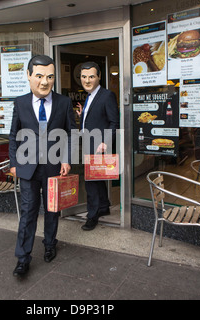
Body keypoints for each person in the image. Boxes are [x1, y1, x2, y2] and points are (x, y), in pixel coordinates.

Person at [9, 55, 76, 276]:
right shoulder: (20, 103)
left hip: (53, 167)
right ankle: (23, 257)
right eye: (39, 76)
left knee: (51, 210)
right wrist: (13, 164)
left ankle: (49, 244)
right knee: (28, 212)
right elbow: (13, 136)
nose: (45, 82)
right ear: (28, 76)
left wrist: (66, 158)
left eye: (49, 77)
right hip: (27, 168)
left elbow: (71, 134)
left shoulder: (64, 102)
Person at [77, 61, 119, 231]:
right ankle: (104, 206)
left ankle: (92, 216)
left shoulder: (106, 95)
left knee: (91, 183)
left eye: (91, 77)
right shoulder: (89, 96)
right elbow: (96, 119)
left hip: (98, 146)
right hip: (89, 144)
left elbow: (114, 122)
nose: (87, 80)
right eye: (84, 77)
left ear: (99, 77)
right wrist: (82, 117)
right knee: (97, 179)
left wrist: (105, 142)